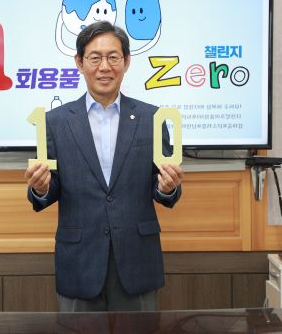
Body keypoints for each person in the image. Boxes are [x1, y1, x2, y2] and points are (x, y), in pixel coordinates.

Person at [24, 21, 184, 312]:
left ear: (126, 62)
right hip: (79, 259)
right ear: (79, 62)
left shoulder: (152, 118)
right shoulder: (55, 122)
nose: (105, 67)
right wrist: (41, 188)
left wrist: (167, 187)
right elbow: (50, 187)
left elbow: (161, 184)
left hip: (137, 257)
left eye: (113, 57)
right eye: (95, 58)